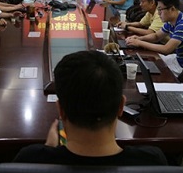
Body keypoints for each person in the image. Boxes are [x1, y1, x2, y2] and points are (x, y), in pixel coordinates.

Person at [14, 50, 167, 165]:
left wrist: (47, 151)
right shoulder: (153, 161)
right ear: (121, 106)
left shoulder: (29, 160)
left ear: (61, 110)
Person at [125, 0, 183, 74]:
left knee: (151, 71)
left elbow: (166, 49)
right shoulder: (172, 20)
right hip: (179, 59)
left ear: (172, 9)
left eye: (160, 10)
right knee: (147, 62)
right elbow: (156, 36)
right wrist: (139, 38)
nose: (158, 13)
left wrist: (139, 43)